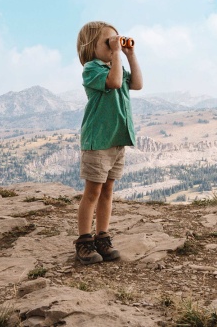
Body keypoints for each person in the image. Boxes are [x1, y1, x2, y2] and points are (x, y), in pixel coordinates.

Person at [73, 20, 143, 264]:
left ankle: (103, 236)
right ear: (92, 46)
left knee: (108, 191)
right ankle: (84, 240)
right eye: (108, 41)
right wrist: (116, 55)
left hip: (116, 141)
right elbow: (113, 83)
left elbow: (136, 84)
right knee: (92, 192)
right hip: (98, 141)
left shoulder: (117, 67)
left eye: (117, 40)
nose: (115, 44)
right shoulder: (92, 69)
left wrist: (129, 55)